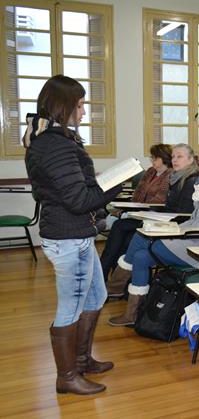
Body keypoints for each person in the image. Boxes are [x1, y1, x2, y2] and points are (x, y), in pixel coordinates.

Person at [24, 75, 121, 395]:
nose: (83, 112)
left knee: (96, 297)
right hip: (69, 236)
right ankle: (66, 376)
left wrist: (101, 182)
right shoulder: (55, 144)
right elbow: (79, 200)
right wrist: (115, 185)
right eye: (79, 105)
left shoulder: (52, 138)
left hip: (75, 233)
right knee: (70, 306)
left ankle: (81, 360)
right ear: (62, 105)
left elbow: (75, 188)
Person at [107, 144, 199, 326]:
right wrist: (172, 229)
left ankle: (113, 287)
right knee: (140, 256)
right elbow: (194, 220)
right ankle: (133, 314)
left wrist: (175, 231)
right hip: (190, 239)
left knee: (141, 238)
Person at [102, 144, 198, 295]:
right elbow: (140, 194)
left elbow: (182, 213)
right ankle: (117, 284)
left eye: (179, 157)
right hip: (157, 217)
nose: (174, 160)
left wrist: (151, 216)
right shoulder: (176, 177)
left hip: (172, 227)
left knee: (129, 234)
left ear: (191, 160)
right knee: (125, 234)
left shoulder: (188, 180)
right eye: (173, 156)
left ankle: (114, 283)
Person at [100, 143, 173, 231]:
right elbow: (138, 191)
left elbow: (159, 201)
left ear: (165, 158)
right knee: (111, 218)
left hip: (152, 213)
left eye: (155, 158)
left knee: (117, 223)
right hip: (138, 209)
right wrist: (127, 209)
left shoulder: (170, 174)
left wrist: (133, 212)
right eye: (152, 157)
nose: (152, 160)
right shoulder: (150, 171)